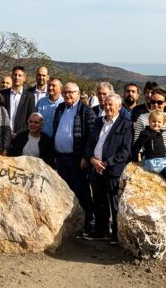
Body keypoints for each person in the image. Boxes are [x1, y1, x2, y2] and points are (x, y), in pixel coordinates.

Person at [84, 94, 133, 242]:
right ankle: (100, 231)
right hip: (95, 168)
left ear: (119, 107)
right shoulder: (98, 122)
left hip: (112, 170)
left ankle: (117, 235)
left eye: (111, 104)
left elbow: (125, 151)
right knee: (98, 201)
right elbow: (89, 144)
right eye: (106, 104)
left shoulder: (125, 124)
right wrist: (92, 160)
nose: (108, 107)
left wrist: (106, 163)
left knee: (114, 203)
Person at [53, 82, 96, 234]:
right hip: (61, 158)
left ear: (78, 93)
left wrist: (86, 157)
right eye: (65, 93)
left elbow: (92, 138)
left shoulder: (86, 112)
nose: (67, 95)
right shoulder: (60, 109)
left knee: (82, 192)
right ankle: (68, 226)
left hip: (77, 159)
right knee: (64, 192)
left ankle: (88, 223)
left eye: (70, 92)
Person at [133, 88, 166, 165]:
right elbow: (137, 142)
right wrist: (139, 160)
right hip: (148, 158)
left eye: (159, 102)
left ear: (165, 103)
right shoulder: (142, 118)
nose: (155, 105)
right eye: (153, 102)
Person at [0, 66, 36, 138]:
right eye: (15, 75)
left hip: (21, 137)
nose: (17, 77)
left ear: (24, 78)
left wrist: (18, 134)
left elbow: (30, 118)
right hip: (2, 135)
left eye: (20, 75)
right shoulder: (2, 94)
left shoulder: (30, 97)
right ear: (11, 76)